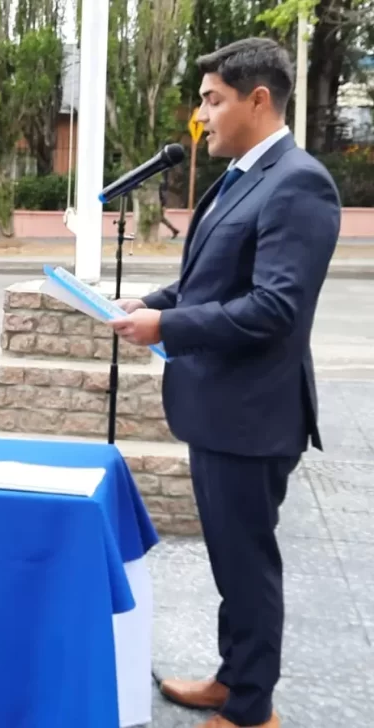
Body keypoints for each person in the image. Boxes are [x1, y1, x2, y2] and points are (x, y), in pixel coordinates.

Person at [111, 38, 340, 728]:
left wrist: (168, 330)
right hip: (221, 409)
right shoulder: (243, 174)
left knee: (248, 565)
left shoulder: (299, 181)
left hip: (254, 415)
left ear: (258, 99)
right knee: (232, 561)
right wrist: (154, 301)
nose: (201, 114)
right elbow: (211, 278)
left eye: (213, 99)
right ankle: (233, 680)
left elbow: (275, 307)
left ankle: (251, 711)